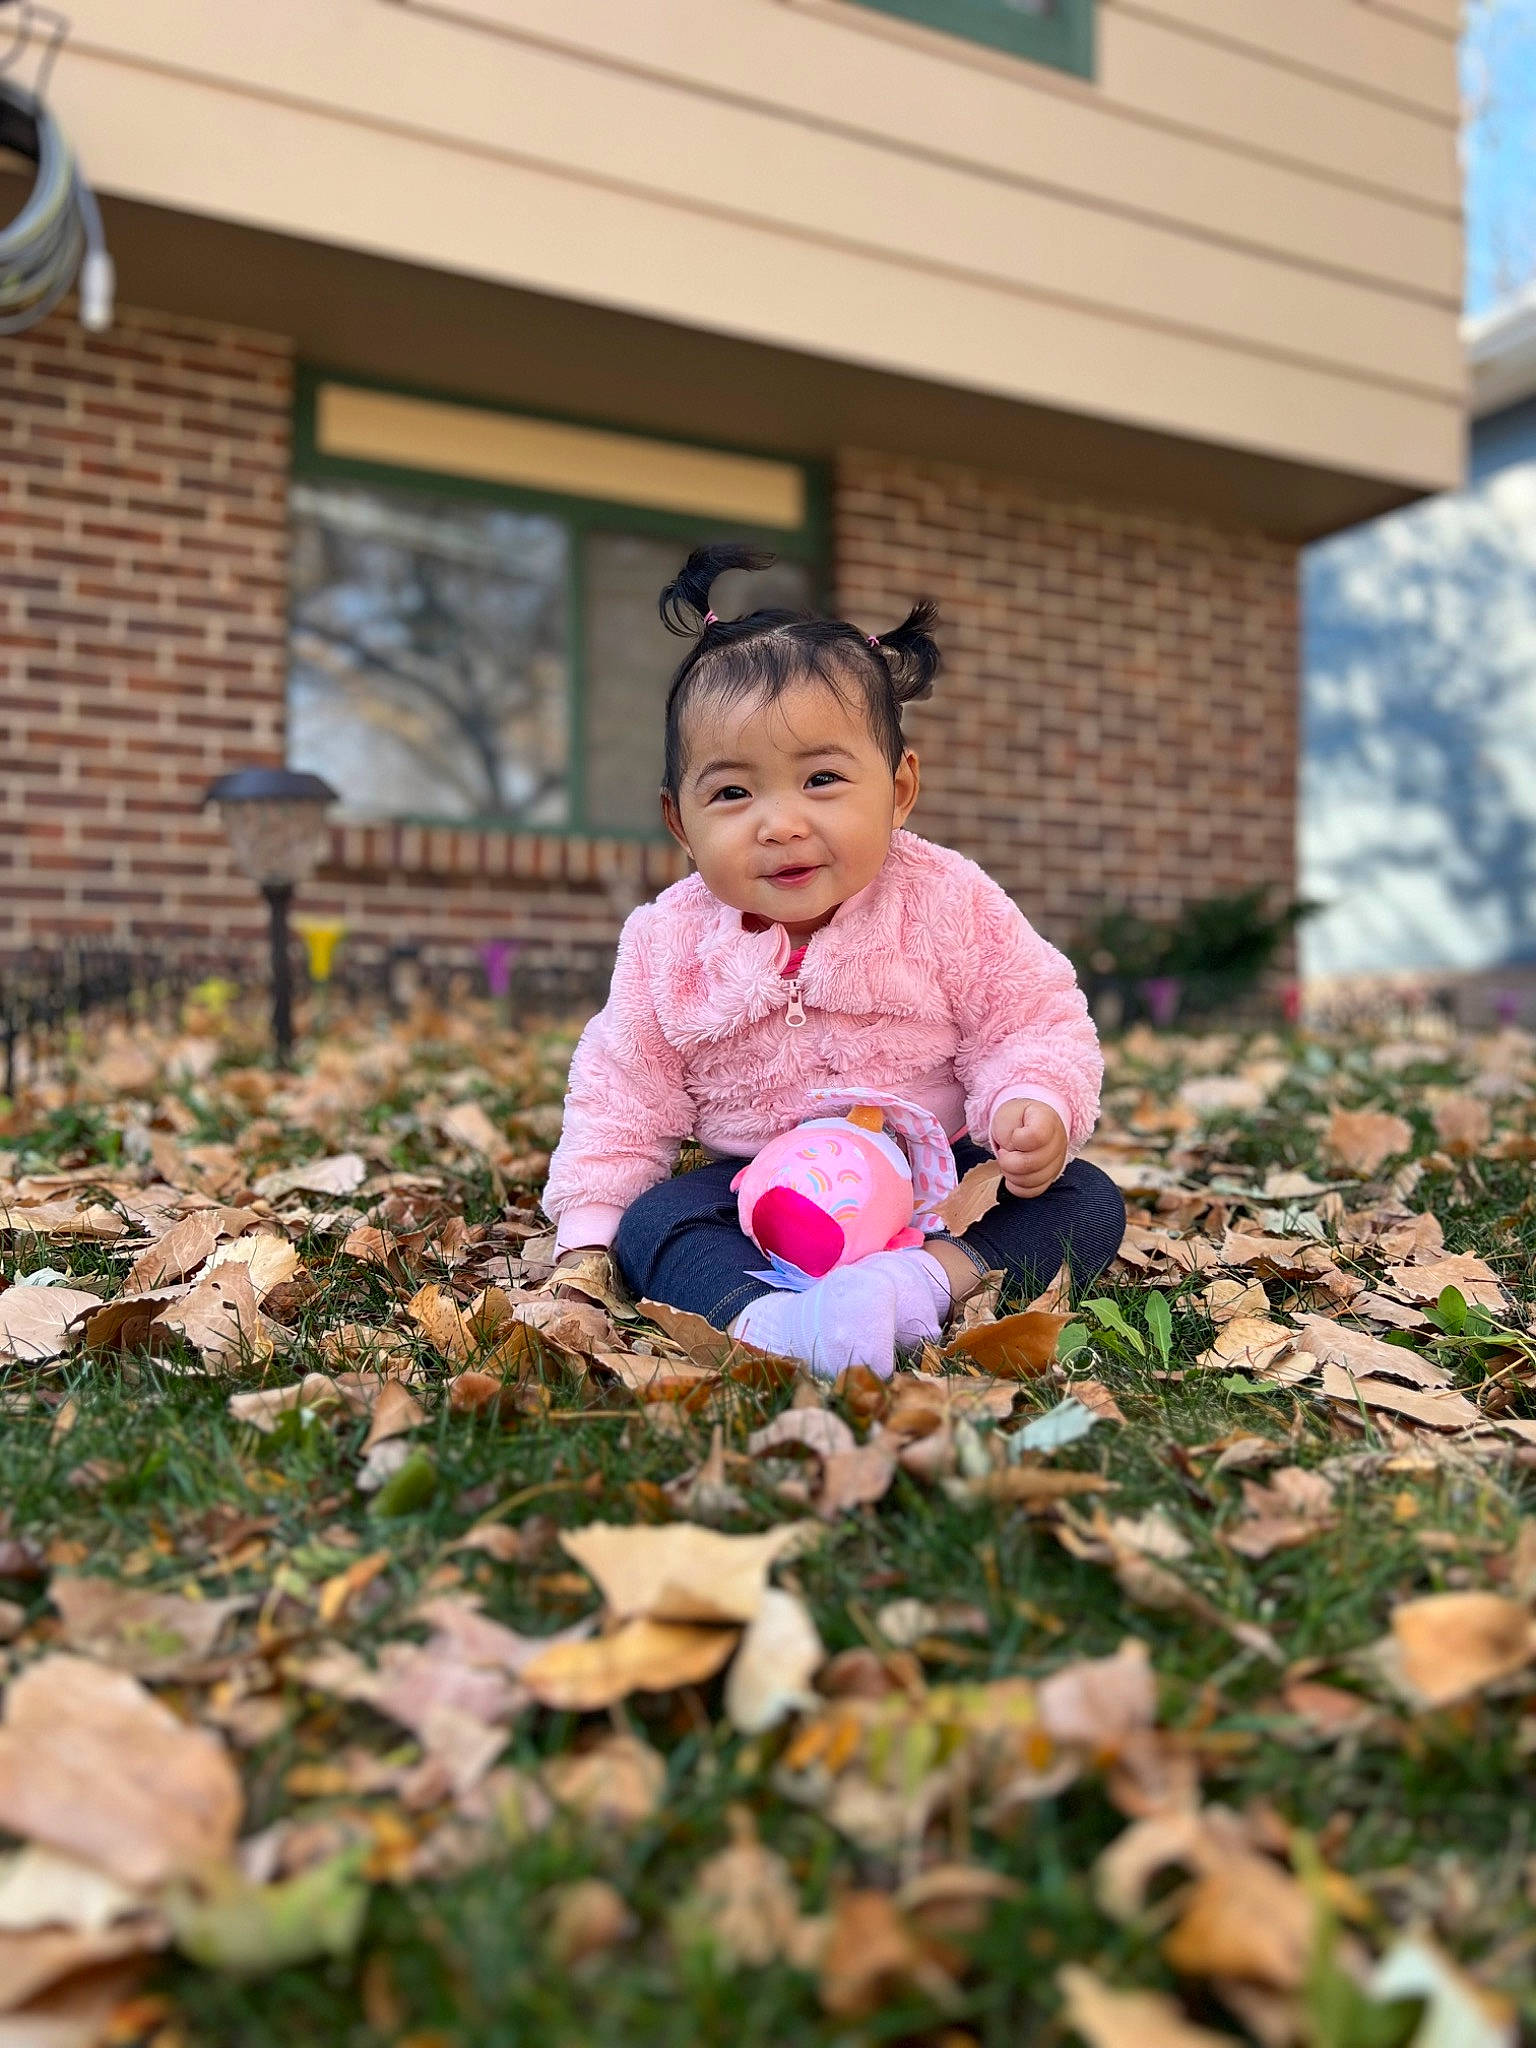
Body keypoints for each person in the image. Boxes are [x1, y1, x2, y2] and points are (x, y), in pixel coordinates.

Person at [542, 544, 1125, 1376]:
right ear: (681, 823)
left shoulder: (945, 898)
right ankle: (772, 1324)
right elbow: (620, 1092)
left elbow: (1027, 1008)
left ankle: (916, 1284)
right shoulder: (667, 941)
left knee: (1084, 1202)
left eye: (821, 779)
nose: (778, 823)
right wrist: (588, 1237)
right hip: (757, 1194)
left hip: (931, 1177)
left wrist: (1031, 1098)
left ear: (898, 791)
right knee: (653, 1225)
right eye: (733, 794)